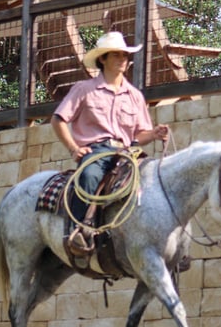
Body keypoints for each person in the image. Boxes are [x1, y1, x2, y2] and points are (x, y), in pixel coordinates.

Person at [51, 31, 169, 255]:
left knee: (152, 181)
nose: (122, 59)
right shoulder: (84, 89)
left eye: (124, 55)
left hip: (127, 152)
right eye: (116, 55)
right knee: (89, 176)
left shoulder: (134, 95)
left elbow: (139, 135)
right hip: (96, 151)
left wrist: (153, 134)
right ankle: (77, 232)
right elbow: (58, 120)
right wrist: (74, 148)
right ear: (102, 59)